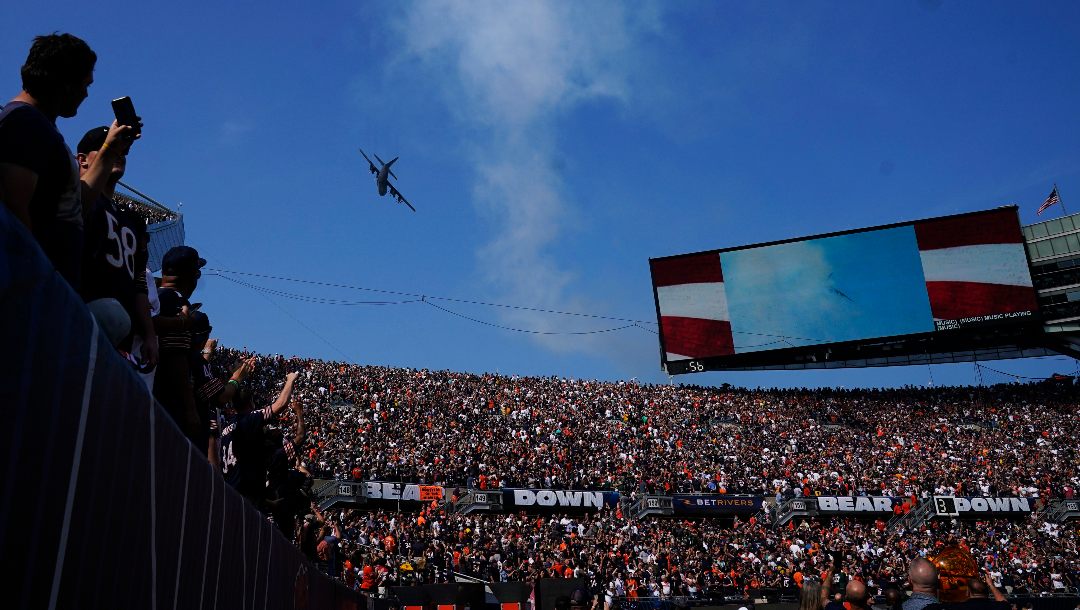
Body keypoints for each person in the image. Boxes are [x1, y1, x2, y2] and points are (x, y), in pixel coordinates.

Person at [0, 33, 137, 288]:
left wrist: (109, 150)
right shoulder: (25, 123)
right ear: (64, 83)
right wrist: (36, 277)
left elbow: (75, 206)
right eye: (85, 85)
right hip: (34, 289)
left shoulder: (40, 128)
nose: (86, 94)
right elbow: (13, 206)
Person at [75, 125, 156, 372]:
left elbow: (139, 281)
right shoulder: (76, 198)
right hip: (77, 315)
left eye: (124, 151)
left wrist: (149, 333)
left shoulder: (132, 220)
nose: (119, 154)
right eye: (107, 147)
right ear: (82, 160)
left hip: (119, 338)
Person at [219, 370, 299, 502]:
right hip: (245, 494)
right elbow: (280, 405)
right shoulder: (250, 418)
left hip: (229, 489)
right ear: (251, 402)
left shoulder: (226, 428)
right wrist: (290, 380)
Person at [153, 245, 206, 440]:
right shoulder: (175, 300)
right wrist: (190, 410)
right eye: (196, 272)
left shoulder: (155, 296)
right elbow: (176, 356)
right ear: (188, 274)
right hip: (167, 402)